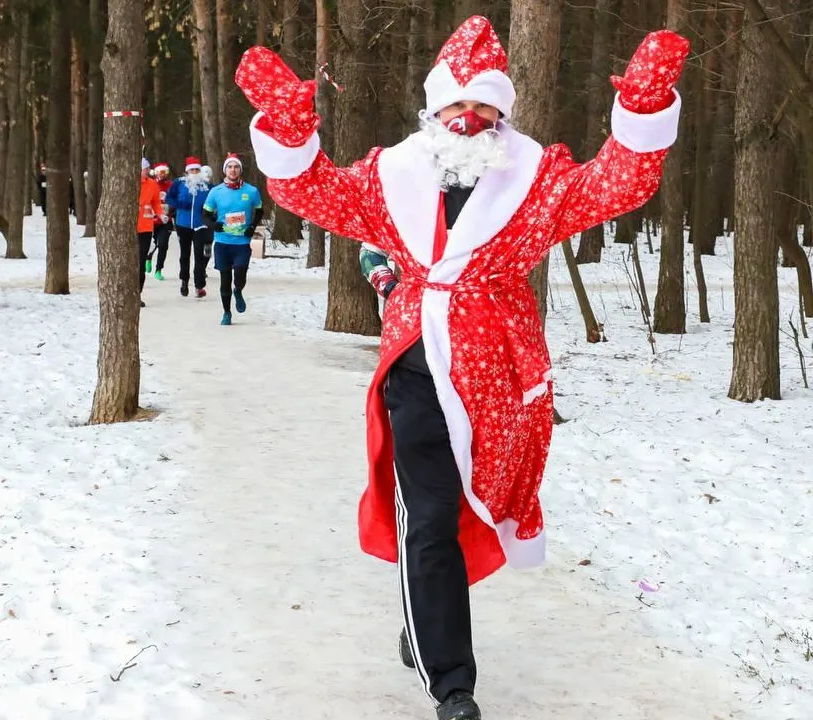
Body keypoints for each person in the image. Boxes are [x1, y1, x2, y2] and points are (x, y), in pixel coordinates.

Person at [236, 16, 687, 720]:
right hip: (416, 363)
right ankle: (453, 686)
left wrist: (645, 109)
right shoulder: (390, 175)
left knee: (466, 512)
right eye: (457, 104)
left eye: (484, 105)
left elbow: (618, 184)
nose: (469, 117)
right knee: (430, 514)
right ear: (433, 108)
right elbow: (312, 193)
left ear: (502, 112)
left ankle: (425, 620)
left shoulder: (537, 179)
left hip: (499, 377)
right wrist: (288, 134)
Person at [202, 153, 264, 326]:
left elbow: (259, 210)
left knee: (240, 272)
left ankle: (238, 290)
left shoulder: (251, 191)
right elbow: (205, 215)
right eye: (230, 167)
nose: (233, 170)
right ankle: (227, 312)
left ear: (240, 170)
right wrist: (214, 225)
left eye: (236, 167)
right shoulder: (216, 192)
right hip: (222, 242)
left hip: (242, 242)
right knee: (225, 278)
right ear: (225, 170)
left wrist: (252, 226)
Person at [165, 156, 214, 298]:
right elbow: (169, 198)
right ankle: (184, 281)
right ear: (187, 171)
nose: (194, 172)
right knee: (184, 255)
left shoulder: (207, 186)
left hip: (201, 225)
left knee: (200, 255)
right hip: (183, 224)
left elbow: (216, 200)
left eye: (197, 169)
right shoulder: (179, 183)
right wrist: (179, 205)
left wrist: (210, 213)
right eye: (191, 170)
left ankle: (199, 286)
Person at [136, 158, 165, 308]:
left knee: (140, 262)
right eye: (145, 169)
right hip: (129, 228)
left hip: (146, 228)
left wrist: (161, 214)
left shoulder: (153, 184)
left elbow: (156, 203)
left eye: (148, 168)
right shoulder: (130, 184)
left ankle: (137, 294)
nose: (148, 171)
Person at [147, 162, 175, 279]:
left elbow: (175, 200)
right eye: (160, 172)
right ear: (156, 172)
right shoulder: (151, 184)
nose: (163, 175)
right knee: (151, 244)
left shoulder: (171, 185)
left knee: (163, 245)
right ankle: (148, 258)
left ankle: (158, 270)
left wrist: (171, 209)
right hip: (152, 220)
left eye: (165, 172)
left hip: (165, 220)